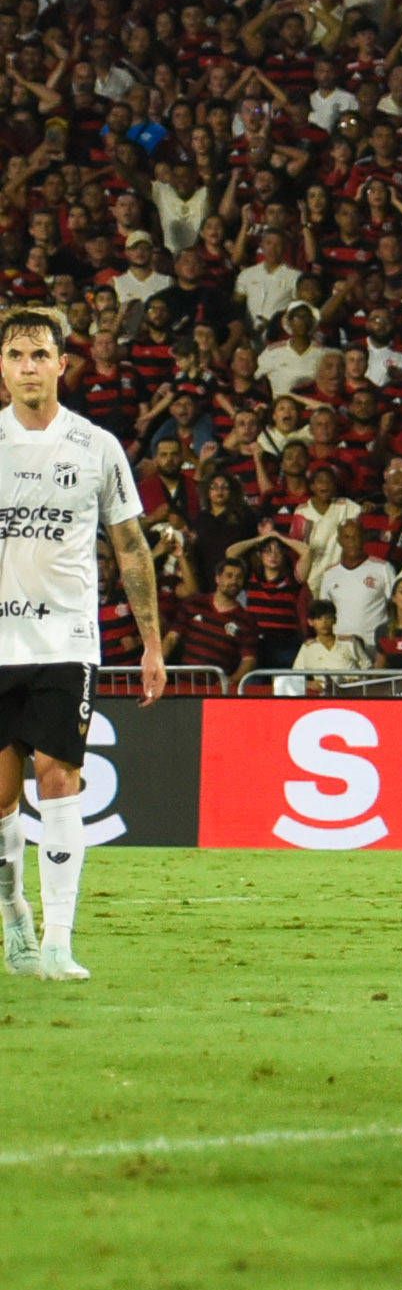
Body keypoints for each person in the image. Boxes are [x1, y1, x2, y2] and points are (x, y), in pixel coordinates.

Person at [0, 308, 166, 983]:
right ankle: (16, 917)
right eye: (17, 355)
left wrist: (151, 643)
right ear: (2, 367)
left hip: (66, 641)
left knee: (59, 778)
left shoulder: (96, 446)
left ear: (62, 365)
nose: (29, 367)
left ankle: (59, 943)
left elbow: (130, 544)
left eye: (40, 355)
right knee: (2, 799)